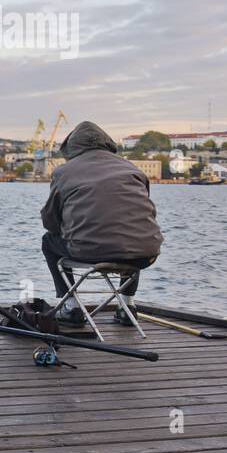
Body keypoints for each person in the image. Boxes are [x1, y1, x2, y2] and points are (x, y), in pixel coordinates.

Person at [40, 121, 162, 326]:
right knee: (133, 232)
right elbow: (144, 215)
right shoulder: (132, 169)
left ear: (72, 148)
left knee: (48, 241)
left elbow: (50, 222)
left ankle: (70, 307)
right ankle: (127, 307)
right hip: (146, 255)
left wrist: (70, 227)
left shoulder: (64, 172)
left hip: (90, 252)